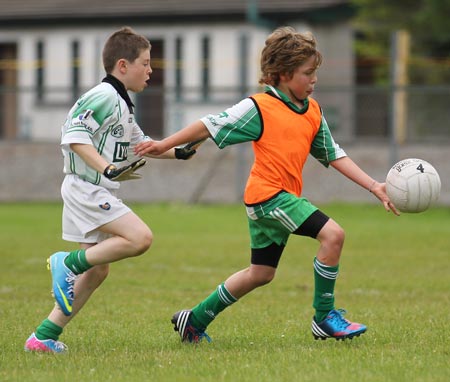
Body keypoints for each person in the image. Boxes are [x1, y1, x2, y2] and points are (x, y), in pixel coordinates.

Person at [134, 26, 400, 343]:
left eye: (315, 72)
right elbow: (209, 124)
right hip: (269, 198)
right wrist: (165, 144)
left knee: (260, 274)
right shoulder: (259, 107)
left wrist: (374, 186)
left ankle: (195, 320)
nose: (314, 80)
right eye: (307, 73)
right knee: (333, 235)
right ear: (283, 74)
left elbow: (332, 154)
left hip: (276, 199)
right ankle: (324, 317)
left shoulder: (313, 111)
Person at [24, 27, 196, 353]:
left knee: (99, 270)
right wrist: (106, 167)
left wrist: (179, 151)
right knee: (139, 238)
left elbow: (143, 146)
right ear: (122, 65)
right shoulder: (103, 95)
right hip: (86, 188)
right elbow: (74, 136)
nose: (150, 70)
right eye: (145, 63)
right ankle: (68, 263)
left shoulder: (122, 104)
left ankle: (43, 337)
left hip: (91, 188)